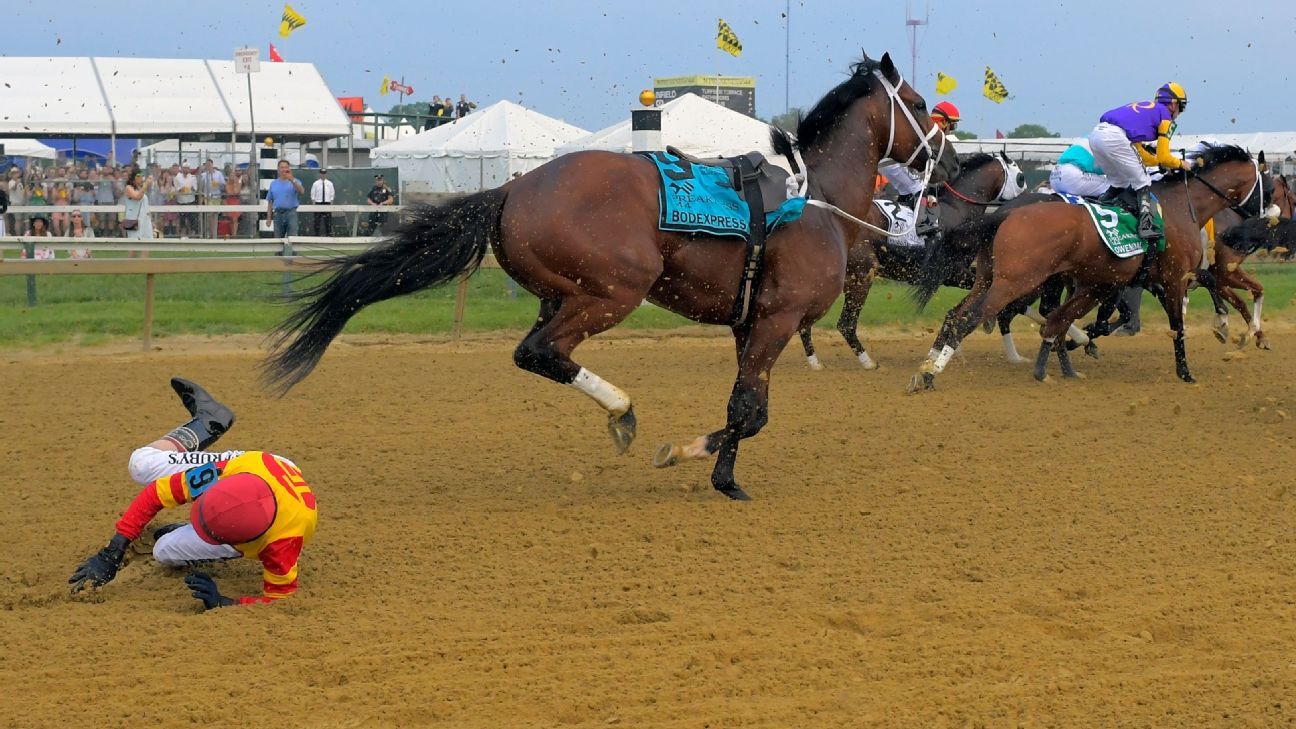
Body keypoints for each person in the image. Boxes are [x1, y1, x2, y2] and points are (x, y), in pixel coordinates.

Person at [68, 378, 318, 609]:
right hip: (260, 467)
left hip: (280, 511)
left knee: (163, 552)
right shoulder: (223, 472)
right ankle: (208, 421)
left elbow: (279, 599)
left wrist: (226, 602)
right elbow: (157, 493)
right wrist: (112, 551)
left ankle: (194, 535)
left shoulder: (282, 545)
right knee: (141, 464)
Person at [1089, 83, 1190, 241]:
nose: (1179, 113)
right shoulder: (1165, 117)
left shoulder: (1147, 112)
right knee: (1142, 182)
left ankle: (1098, 208)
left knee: (1119, 183)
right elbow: (1164, 156)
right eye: (1181, 107)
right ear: (1173, 104)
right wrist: (1180, 163)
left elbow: (1141, 154)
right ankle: (1146, 227)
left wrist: (1160, 162)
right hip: (1115, 138)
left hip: (1096, 135)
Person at [877, 100, 960, 240]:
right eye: (952, 125)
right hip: (893, 161)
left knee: (907, 190)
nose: (951, 129)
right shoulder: (930, 132)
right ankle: (923, 225)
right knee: (919, 187)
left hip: (886, 163)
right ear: (944, 122)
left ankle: (904, 220)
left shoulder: (922, 125)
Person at [266, 159, 305, 238]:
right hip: (277, 214)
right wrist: (268, 218)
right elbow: (270, 202)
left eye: (286, 167)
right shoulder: (273, 183)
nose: (284, 169)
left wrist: (292, 180)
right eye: (282, 167)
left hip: (291, 213)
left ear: (289, 169)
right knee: (278, 239)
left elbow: (301, 191)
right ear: (278, 169)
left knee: (292, 239)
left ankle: (291, 250)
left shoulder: (295, 181)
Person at [122, 164, 155, 256]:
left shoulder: (140, 188)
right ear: (134, 178)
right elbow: (137, 197)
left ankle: (145, 268)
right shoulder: (128, 188)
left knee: (146, 246)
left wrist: (151, 221)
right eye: (139, 176)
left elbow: (145, 206)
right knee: (133, 248)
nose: (141, 179)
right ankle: (130, 270)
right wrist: (146, 185)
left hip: (145, 221)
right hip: (132, 220)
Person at [198, 159, 226, 238]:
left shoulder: (218, 174)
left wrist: (218, 184)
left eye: (210, 165)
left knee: (215, 215)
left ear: (212, 165)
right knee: (210, 215)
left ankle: (214, 233)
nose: (208, 166)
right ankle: (210, 233)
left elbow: (223, 185)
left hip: (216, 197)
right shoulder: (204, 175)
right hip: (207, 197)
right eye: (207, 165)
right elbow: (200, 186)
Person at [174, 163, 198, 237]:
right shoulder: (177, 177)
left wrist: (192, 189)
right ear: (182, 169)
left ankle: (192, 234)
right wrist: (181, 189)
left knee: (192, 218)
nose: (186, 169)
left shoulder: (193, 177)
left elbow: (195, 189)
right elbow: (176, 188)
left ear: (189, 169)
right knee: (182, 219)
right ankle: (183, 234)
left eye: (187, 168)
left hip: (190, 200)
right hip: (181, 201)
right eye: (184, 168)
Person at [309, 168, 335, 236]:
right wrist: (314, 204)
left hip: (327, 203)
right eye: (322, 173)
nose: (323, 175)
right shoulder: (315, 183)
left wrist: (331, 204)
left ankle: (329, 234)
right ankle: (316, 235)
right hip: (318, 203)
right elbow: (313, 194)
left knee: (328, 221)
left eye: (324, 173)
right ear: (320, 174)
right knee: (317, 221)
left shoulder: (330, 183)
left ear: (326, 174)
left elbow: (332, 193)